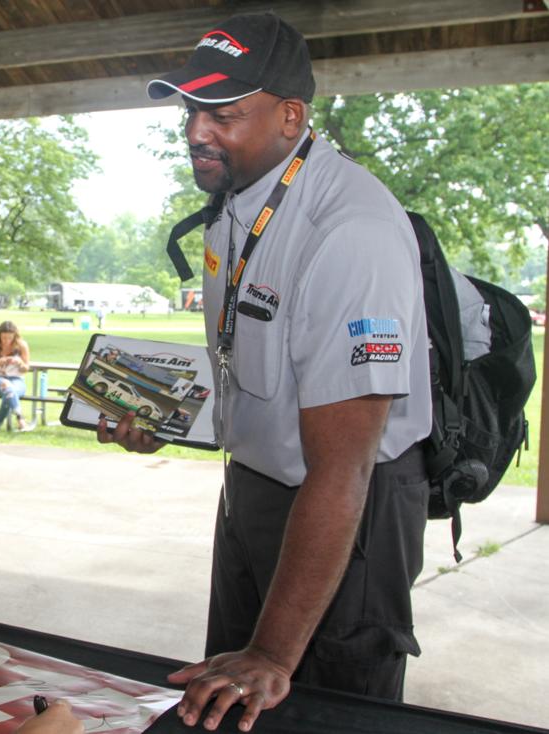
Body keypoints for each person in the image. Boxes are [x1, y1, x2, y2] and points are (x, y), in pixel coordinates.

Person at [102, 12, 431, 732]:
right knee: (224, 695)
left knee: (321, 710)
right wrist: (165, 416)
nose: (195, 131)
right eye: (190, 110)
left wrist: (276, 652)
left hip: (347, 511)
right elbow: (250, 365)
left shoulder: (351, 231)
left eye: (222, 114)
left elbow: (344, 468)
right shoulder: (236, 201)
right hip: (254, 490)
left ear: (291, 117)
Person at [0, 320, 34, 431]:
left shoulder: (21, 345)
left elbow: (26, 369)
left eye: (10, 338)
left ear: (15, 336)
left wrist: (19, 363)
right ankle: (21, 419)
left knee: (9, 391)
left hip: (17, 380)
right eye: (4, 338)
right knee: (6, 385)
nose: (6, 341)